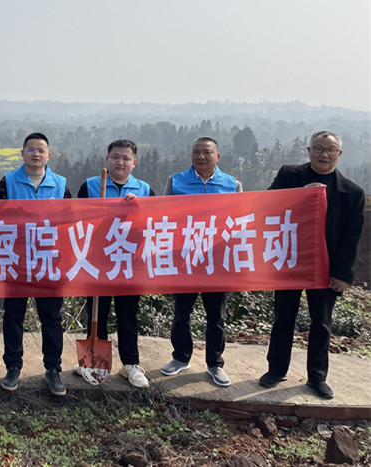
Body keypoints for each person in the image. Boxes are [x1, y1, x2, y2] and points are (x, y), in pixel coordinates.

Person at [259, 130, 365, 399]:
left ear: (339, 154)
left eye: (330, 150)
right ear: (309, 151)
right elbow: (267, 205)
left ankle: (317, 377)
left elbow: (351, 238)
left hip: (326, 268)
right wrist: (297, 196)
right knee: (283, 317)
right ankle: (276, 369)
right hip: (290, 260)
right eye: (318, 148)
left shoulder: (352, 192)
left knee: (322, 322)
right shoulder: (289, 175)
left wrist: (343, 274)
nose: (324, 154)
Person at [161, 137, 243, 387]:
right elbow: (163, 215)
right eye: (196, 152)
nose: (201, 157)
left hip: (217, 261)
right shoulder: (176, 181)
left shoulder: (232, 184)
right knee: (181, 313)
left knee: (216, 315)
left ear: (218, 156)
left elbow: (240, 220)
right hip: (185, 258)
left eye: (207, 152)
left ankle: (215, 363)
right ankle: (180, 357)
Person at [0, 132, 73, 396]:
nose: (36, 154)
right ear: (22, 153)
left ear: (48, 155)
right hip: (16, 259)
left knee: (51, 316)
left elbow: (70, 223)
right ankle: (13, 366)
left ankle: (53, 368)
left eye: (41, 150)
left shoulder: (61, 185)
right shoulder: (7, 182)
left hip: (49, 261)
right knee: (13, 315)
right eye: (31, 149)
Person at [73, 139, 154, 388]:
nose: (120, 162)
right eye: (116, 157)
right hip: (97, 262)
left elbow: (154, 224)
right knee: (97, 312)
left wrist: (139, 208)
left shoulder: (144, 189)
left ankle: (130, 364)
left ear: (134, 162)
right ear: (107, 159)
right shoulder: (90, 186)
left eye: (126, 158)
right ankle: (94, 361)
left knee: (128, 314)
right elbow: (76, 220)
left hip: (129, 263)